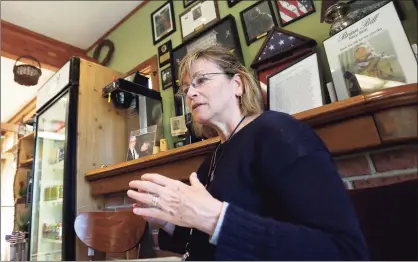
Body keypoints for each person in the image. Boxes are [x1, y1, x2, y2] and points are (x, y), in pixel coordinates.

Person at [126, 45, 369, 260]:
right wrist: (166, 219)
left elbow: (344, 251)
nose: (190, 93)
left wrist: (214, 218)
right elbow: (200, 242)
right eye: (187, 87)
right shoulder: (214, 156)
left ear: (237, 85)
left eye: (201, 80)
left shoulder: (278, 133)